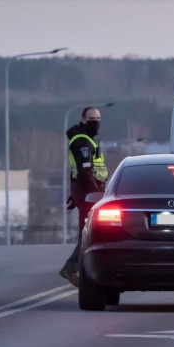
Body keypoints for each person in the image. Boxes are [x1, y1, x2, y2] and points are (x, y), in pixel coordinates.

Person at [59, 107, 108, 286]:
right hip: (89, 193)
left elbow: (80, 171)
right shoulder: (81, 141)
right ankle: (73, 268)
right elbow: (85, 170)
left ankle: (74, 268)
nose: (96, 121)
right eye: (92, 118)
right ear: (83, 119)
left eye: (98, 118)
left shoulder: (87, 138)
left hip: (85, 192)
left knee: (87, 233)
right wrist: (94, 194)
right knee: (88, 234)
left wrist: (75, 194)